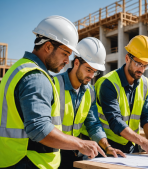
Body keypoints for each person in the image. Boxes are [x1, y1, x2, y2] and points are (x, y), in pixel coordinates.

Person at [0, 16, 106, 169]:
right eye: (65, 53)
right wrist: (80, 144)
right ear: (48, 47)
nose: (67, 60)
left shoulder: (20, 67)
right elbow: (39, 128)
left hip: (6, 159)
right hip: (26, 161)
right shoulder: (36, 77)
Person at [54, 37, 126, 169]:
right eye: (88, 70)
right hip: (53, 152)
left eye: (95, 71)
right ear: (76, 63)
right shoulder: (54, 85)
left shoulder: (90, 92)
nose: (92, 76)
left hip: (74, 152)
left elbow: (93, 124)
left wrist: (107, 147)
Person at [95, 35, 148, 157]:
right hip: (107, 146)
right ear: (127, 58)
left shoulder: (145, 84)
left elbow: (147, 116)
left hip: (131, 145)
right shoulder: (108, 83)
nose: (141, 69)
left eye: (145, 65)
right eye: (138, 64)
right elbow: (115, 121)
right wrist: (143, 142)